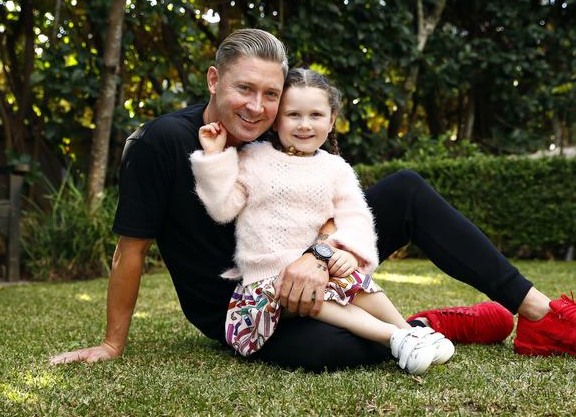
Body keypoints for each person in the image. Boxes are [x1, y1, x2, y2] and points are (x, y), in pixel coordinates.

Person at [50, 28, 576, 371]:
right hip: (240, 306)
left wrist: (319, 255)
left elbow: (333, 205)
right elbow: (131, 249)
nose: (257, 107)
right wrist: (112, 344)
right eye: (244, 89)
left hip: (316, 270)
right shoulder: (164, 142)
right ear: (214, 80)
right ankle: (428, 326)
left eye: (272, 94)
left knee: (406, 188)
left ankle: (540, 315)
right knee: (327, 353)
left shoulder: (277, 128)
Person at [190, 68, 455, 375]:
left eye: (315, 115)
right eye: (293, 115)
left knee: (352, 280)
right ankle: (395, 337)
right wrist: (213, 157)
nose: (304, 125)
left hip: (316, 272)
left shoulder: (336, 169)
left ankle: (410, 332)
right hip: (263, 289)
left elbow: (356, 217)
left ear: (331, 121)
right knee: (319, 289)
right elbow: (222, 207)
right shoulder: (253, 159)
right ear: (277, 121)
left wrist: (347, 251)